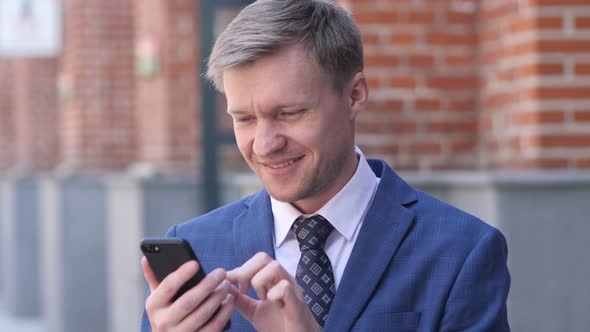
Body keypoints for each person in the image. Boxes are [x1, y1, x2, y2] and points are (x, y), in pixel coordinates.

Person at [140, 0, 511, 331]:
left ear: (354, 96)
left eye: (290, 113)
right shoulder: (196, 250)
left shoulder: (461, 251)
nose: (265, 145)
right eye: (244, 119)